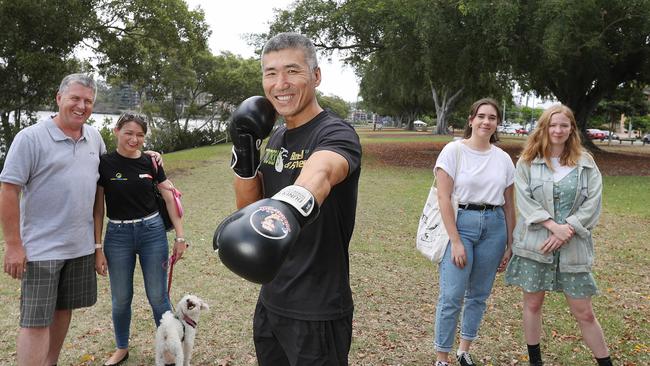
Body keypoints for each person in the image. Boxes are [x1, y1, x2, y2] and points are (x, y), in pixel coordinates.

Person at [215, 32, 362, 365]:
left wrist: (286, 208)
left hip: (317, 307)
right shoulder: (277, 135)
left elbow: (321, 173)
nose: (280, 83)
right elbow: (249, 209)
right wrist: (245, 152)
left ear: (316, 76)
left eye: (293, 71)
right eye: (271, 73)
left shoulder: (336, 133)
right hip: (272, 299)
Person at [0, 73, 106, 365]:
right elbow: (9, 190)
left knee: (63, 310)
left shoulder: (94, 137)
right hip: (40, 249)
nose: (81, 106)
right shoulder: (30, 138)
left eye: (88, 101)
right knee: (35, 321)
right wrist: (13, 245)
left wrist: (149, 156)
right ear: (59, 98)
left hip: (79, 246)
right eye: (75, 98)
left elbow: (107, 178)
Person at [505, 105, 613, 366]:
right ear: (544, 127)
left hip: (573, 248)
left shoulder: (586, 163)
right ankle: (535, 361)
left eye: (564, 125)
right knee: (532, 305)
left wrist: (569, 229)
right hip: (536, 245)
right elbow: (526, 201)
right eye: (553, 125)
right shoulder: (528, 162)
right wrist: (554, 227)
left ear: (571, 129)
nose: (558, 130)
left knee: (584, 312)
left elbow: (593, 203)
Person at [94, 112, 187, 366]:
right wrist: (98, 247)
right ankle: (122, 348)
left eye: (140, 135)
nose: (134, 139)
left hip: (152, 232)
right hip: (118, 236)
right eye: (129, 133)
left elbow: (170, 197)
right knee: (121, 298)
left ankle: (169, 348)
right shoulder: (104, 164)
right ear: (116, 131)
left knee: (158, 296)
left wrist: (180, 236)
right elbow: (98, 208)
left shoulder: (151, 162)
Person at [433, 98, 516, 366]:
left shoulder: (503, 158)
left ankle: (463, 350)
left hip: (494, 227)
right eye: (481, 116)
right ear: (471, 120)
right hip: (462, 225)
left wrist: (510, 243)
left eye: (492, 117)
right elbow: (444, 198)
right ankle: (442, 357)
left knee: (478, 295)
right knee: (452, 296)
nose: (486, 121)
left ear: (497, 124)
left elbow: (509, 203)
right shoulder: (453, 151)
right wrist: (455, 240)